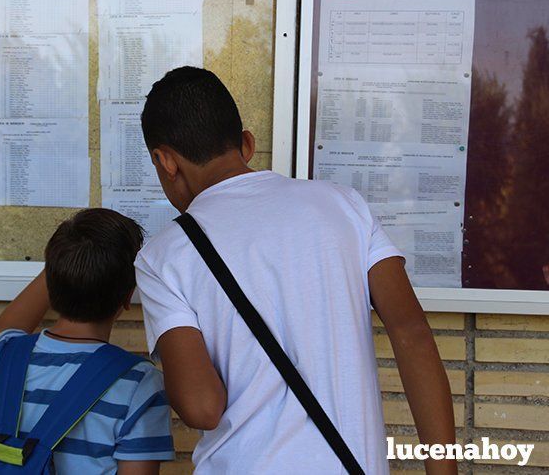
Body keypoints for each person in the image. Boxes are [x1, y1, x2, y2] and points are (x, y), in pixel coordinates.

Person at [133, 66, 456, 474]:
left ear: (165, 161)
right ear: (247, 144)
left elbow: (202, 408)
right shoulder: (345, 206)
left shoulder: (163, 256)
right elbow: (413, 335)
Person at [0, 208, 175, 474]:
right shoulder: (140, 384)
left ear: (50, 285)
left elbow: (7, 325)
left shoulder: (6, 356)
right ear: (128, 297)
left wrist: (66, 260)